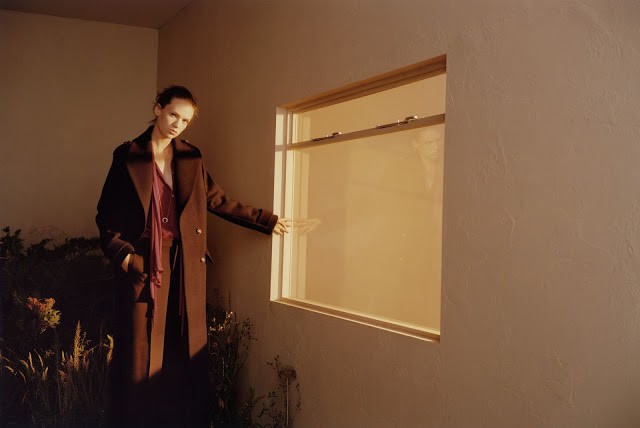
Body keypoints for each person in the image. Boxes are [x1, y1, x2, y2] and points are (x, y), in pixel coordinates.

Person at [96, 85, 289, 427]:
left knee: (182, 347)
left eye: (185, 120)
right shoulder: (128, 154)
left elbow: (217, 200)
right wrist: (124, 257)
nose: (177, 124)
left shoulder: (191, 156)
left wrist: (266, 220)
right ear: (158, 109)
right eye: (173, 114)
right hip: (144, 261)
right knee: (140, 352)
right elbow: (105, 213)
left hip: (185, 262)